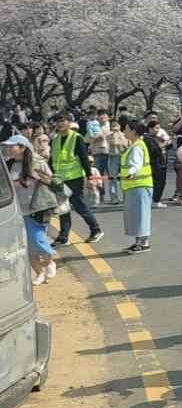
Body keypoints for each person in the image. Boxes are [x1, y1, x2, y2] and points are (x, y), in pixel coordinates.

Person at [4, 134, 60, 284]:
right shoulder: (8, 164)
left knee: (37, 238)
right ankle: (39, 273)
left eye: (12, 146)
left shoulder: (37, 161)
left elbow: (52, 180)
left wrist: (37, 177)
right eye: (8, 146)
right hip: (17, 209)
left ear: (22, 147)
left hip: (37, 207)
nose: (9, 149)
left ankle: (50, 262)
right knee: (26, 245)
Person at [49, 112, 103, 245]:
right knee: (63, 208)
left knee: (79, 205)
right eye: (57, 121)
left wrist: (90, 176)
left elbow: (84, 158)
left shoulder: (76, 138)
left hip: (74, 178)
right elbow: (53, 159)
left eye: (62, 120)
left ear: (69, 122)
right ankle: (63, 236)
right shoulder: (55, 139)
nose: (60, 123)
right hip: (59, 179)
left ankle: (96, 230)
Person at [118, 116, 154, 253]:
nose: (123, 131)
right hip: (135, 186)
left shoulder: (137, 146)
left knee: (141, 215)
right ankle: (139, 242)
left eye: (126, 129)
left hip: (139, 185)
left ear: (133, 131)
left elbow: (136, 164)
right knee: (137, 215)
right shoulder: (134, 145)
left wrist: (131, 172)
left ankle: (143, 243)